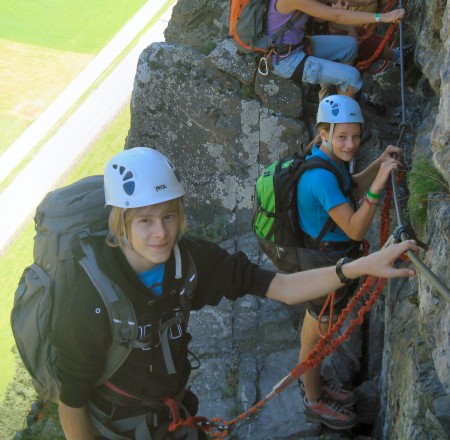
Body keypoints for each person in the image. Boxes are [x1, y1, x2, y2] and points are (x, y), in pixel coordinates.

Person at [55, 146, 417, 439]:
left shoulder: (192, 262)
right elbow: (71, 400)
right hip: (115, 428)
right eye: (144, 221)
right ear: (121, 223)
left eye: (168, 216)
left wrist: (360, 267)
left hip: (171, 417)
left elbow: (285, 287)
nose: (161, 233)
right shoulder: (90, 293)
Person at [296, 95, 405, 430]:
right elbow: (356, 227)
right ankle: (314, 401)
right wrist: (378, 186)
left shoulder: (326, 159)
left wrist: (376, 166)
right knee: (316, 341)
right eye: (342, 137)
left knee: (313, 334)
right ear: (324, 132)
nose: (351, 144)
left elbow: (348, 186)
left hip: (320, 259)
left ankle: (313, 387)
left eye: (356, 136)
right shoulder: (320, 177)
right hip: (325, 264)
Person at [267, 0, 406, 99]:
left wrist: (333, 13)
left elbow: (316, 17)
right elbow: (340, 15)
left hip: (300, 45)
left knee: (350, 45)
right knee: (353, 76)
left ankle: (341, 97)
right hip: (288, 60)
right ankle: (337, 118)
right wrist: (382, 17)